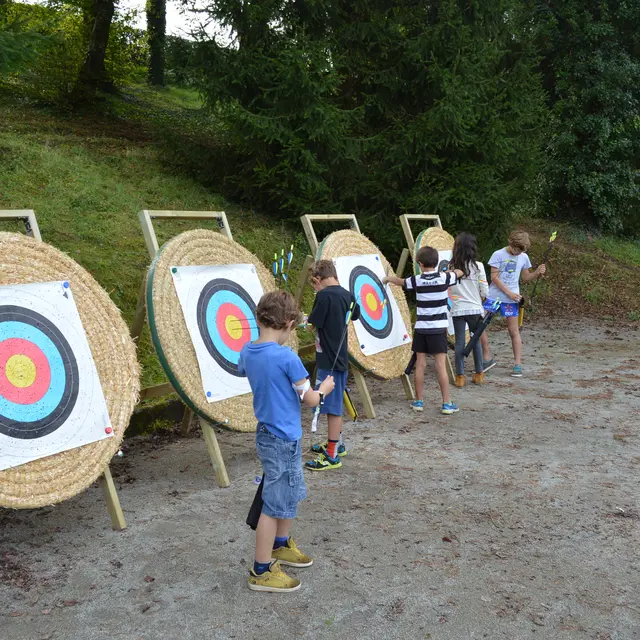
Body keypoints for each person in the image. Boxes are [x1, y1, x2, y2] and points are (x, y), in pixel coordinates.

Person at [239, 290, 336, 593]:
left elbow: (247, 369)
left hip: (272, 435)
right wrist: (325, 390)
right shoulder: (287, 357)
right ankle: (261, 570)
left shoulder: (247, 351)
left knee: (288, 493)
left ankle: (280, 545)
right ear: (290, 322)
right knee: (274, 502)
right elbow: (309, 399)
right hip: (282, 439)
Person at [384, 246, 463, 415]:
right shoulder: (444, 277)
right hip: (438, 330)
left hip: (421, 329)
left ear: (419, 263)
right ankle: (446, 403)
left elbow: (401, 281)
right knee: (440, 365)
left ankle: (418, 401)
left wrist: (388, 278)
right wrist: (452, 268)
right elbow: (460, 272)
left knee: (420, 364)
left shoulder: (417, 280)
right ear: (436, 262)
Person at [305, 259, 361, 471]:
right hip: (339, 359)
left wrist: (307, 321)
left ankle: (332, 455)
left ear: (319, 279)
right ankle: (337, 443)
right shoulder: (347, 295)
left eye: (314, 283)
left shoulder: (323, 295)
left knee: (332, 408)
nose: (315, 287)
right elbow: (354, 315)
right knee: (333, 404)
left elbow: (313, 324)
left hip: (330, 361)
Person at [486, 230, 546, 377]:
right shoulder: (498, 255)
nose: (518, 253)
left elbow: (525, 277)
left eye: (521, 251)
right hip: (494, 298)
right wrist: (508, 293)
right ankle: (486, 357)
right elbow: (494, 277)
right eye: (516, 249)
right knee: (480, 326)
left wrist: (537, 272)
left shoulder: (523, 257)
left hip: (512, 300)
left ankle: (517, 364)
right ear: (510, 243)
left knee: (514, 331)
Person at [449, 232, 489, 387]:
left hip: (458, 309)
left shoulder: (451, 267)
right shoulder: (478, 266)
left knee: (459, 341)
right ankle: (479, 373)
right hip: (474, 309)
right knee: (475, 339)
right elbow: (485, 291)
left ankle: (460, 377)